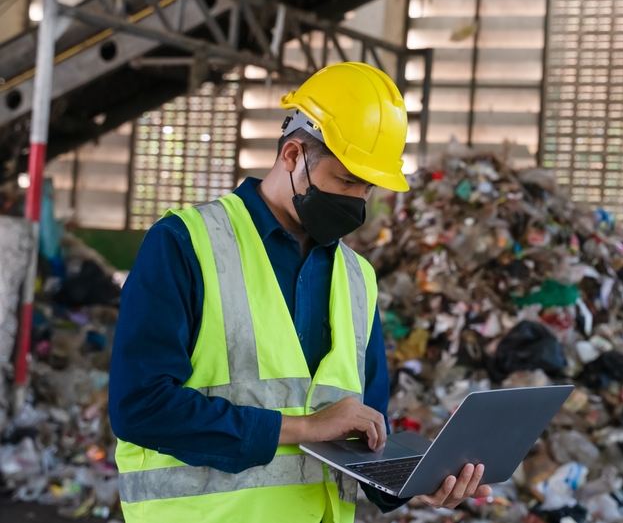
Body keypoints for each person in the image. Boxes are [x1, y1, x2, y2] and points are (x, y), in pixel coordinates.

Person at [109, 62, 490, 522]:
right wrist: (304, 428)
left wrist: (416, 483)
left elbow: (362, 429)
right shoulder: (185, 243)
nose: (356, 201)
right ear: (292, 155)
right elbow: (141, 407)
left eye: (367, 187)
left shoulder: (357, 278)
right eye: (346, 181)